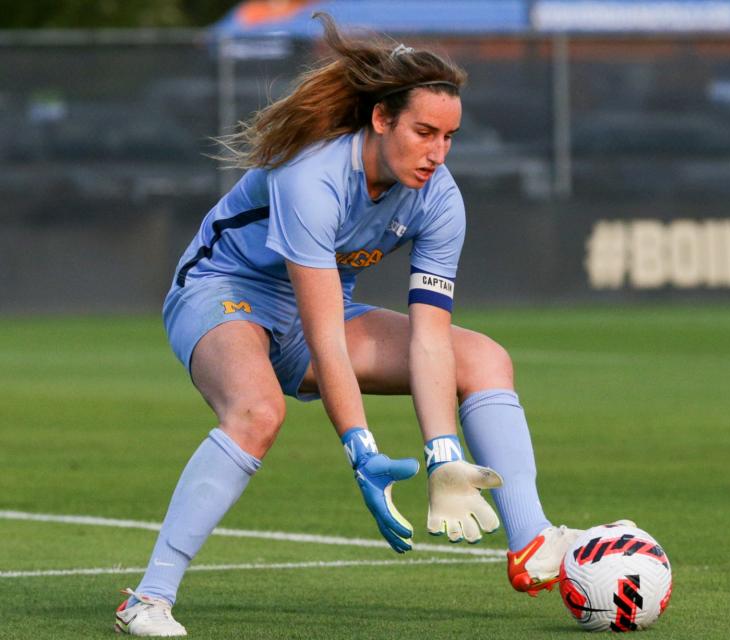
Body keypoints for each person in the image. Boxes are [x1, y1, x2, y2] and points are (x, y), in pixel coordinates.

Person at [114, 15, 580, 637]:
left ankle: (530, 543)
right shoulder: (312, 177)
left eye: (449, 137)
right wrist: (361, 451)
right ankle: (147, 598)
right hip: (222, 294)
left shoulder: (440, 199)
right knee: (256, 412)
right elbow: (326, 333)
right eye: (423, 132)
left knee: (485, 358)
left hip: (323, 309)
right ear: (381, 120)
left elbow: (430, 337)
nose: (437, 153)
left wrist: (444, 456)